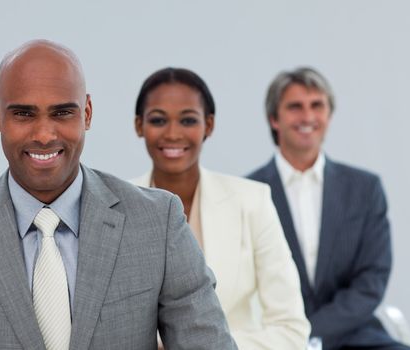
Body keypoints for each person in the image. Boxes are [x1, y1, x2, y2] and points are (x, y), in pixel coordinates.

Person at [0, 40, 236, 350]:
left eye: (62, 112)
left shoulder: (158, 223)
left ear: (87, 113)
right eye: (23, 114)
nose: (45, 134)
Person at [130, 67, 310, 349]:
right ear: (139, 126)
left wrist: (203, 345)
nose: (173, 133)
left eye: (188, 120)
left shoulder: (252, 202)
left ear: (209, 126)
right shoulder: (116, 208)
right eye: (158, 120)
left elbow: (291, 330)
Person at [248, 67, 410, 350]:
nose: (308, 117)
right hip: (271, 340)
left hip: (352, 336)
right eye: (295, 107)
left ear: (329, 115)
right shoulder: (249, 193)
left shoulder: (365, 189)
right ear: (274, 119)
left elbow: (371, 281)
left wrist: (311, 331)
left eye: (317, 106)